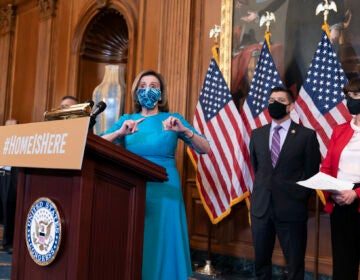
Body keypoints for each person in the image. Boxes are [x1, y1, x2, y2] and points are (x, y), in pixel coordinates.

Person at [101, 69, 210, 279]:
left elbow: (205, 148)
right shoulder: (127, 119)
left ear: (161, 93)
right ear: (135, 93)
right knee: (138, 240)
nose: (147, 90)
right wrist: (119, 132)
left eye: (153, 86)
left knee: (164, 239)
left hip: (166, 190)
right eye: (142, 87)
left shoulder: (172, 119)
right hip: (134, 189)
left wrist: (184, 131)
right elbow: (99, 142)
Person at [249, 86, 321, 279]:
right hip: (261, 209)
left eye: (280, 100)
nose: (274, 104)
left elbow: (312, 173)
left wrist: (298, 197)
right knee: (261, 263)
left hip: (291, 209)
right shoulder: (257, 134)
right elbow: (258, 168)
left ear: (290, 106)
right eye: (271, 100)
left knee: (295, 264)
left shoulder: (306, 136)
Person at [241, 0, 345, 93]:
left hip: (316, 27)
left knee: (318, 71)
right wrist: (259, 14)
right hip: (296, 30)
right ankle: (305, 106)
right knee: (299, 73)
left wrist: (336, 26)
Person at [320, 78, 360, 280]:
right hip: (340, 200)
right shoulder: (340, 129)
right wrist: (332, 190)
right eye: (347, 96)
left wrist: (355, 193)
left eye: (354, 96)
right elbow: (327, 166)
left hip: (357, 195)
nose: (349, 101)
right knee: (344, 263)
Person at [0, 118, 19, 254]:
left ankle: (7, 243)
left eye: (13, 127)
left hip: (10, 176)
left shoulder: (20, 142)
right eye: (7, 126)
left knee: (9, 209)